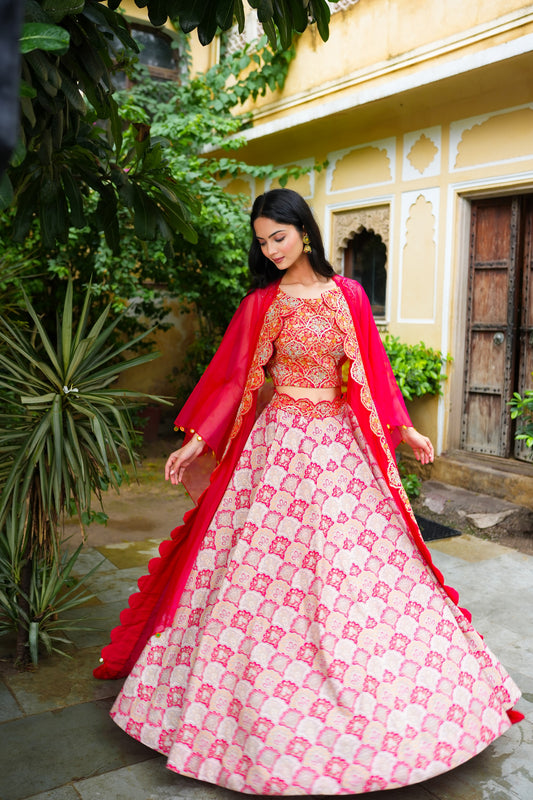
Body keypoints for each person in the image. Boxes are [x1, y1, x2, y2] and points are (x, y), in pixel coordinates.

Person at [95, 189, 522, 795]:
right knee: (258, 575)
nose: (270, 249)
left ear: (304, 232)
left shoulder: (347, 296)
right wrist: (196, 441)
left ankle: (399, 711)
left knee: (360, 571)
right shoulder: (261, 305)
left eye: (279, 236)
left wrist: (405, 430)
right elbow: (233, 378)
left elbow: (372, 370)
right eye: (262, 240)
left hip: (341, 448)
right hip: (279, 450)